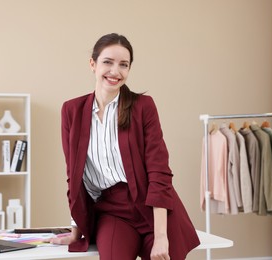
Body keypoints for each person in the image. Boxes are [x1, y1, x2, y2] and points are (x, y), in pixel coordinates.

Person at [53, 33, 200, 260]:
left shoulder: (143, 107)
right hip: (113, 211)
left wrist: (161, 236)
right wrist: (76, 231)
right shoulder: (72, 111)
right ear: (93, 64)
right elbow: (75, 177)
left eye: (124, 65)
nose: (116, 71)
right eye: (108, 62)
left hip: (154, 209)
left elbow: (159, 171)